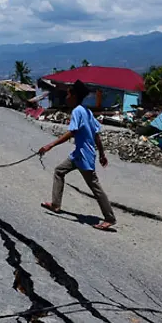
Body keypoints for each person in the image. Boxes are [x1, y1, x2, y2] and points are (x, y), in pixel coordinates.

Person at [38, 80, 117, 231]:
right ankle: (55, 204)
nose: (66, 97)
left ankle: (109, 218)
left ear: (74, 96)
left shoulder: (77, 111)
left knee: (95, 186)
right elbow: (96, 134)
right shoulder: (87, 111)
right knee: (59, 171)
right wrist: (101, 153)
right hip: (79, 154)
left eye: (68, 94)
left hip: (83, 155)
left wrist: (50, 145)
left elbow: (72, 132)